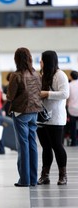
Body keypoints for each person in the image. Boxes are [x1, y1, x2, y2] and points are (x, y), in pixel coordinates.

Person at [7, 47, 43, 187]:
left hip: (21, 112)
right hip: (34, 112)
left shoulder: (16, 76)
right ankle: (33, 179)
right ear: (29, 58)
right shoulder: (36, 74)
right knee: (32, 144)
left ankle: (24, 180)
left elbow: (10, 96)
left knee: (23, 146)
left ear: (16, 59)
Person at [36, 50, 69, 186]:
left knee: (57, 146)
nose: (40, 62)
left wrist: (46, 94)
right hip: (41, 117)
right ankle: (45, 175)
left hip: (56, 117)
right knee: (45, 147)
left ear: (47, 61)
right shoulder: (42, 74)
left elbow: (64, 94)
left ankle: (63, 175)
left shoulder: (60, 75)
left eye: (42, 60)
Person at [67, 70, 78, 146]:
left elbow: (67, 97)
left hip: (72, 109)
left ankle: (74, 142)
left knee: (73, 127)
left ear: (71, 76)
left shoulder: (69, 85)